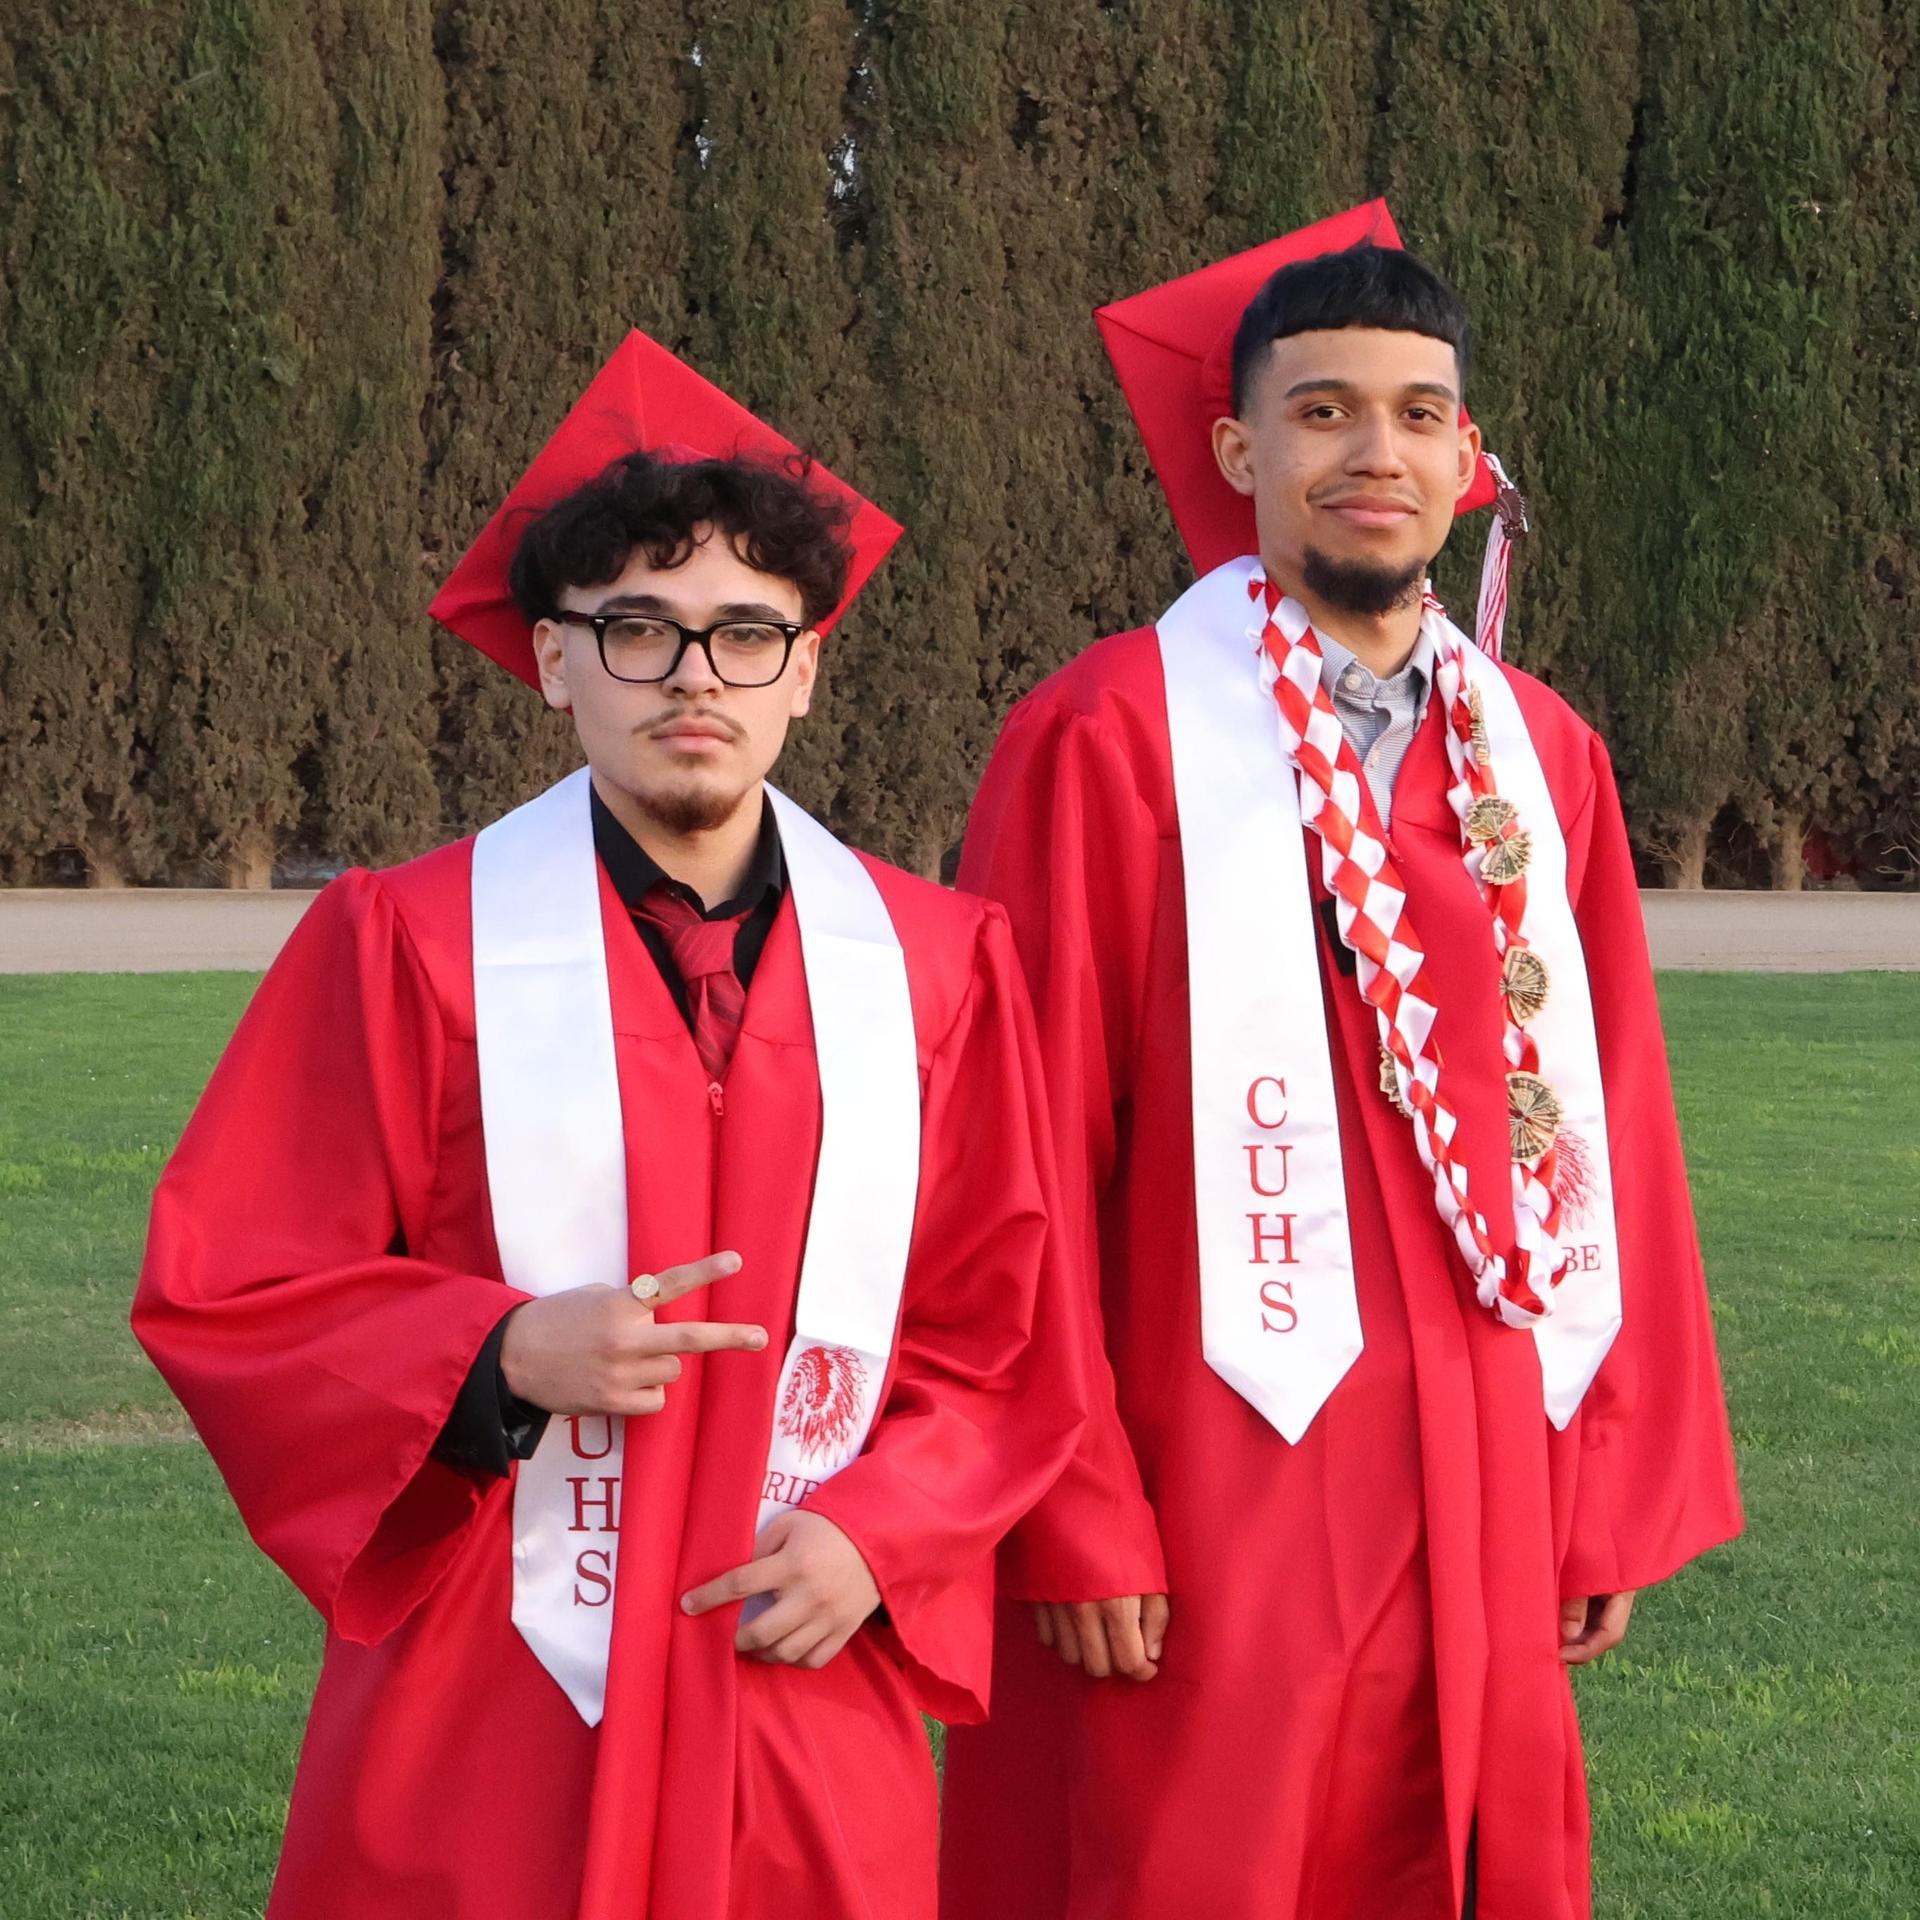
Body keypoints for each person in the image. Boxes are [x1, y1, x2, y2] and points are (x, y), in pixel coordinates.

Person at [133, 331, 1088, 1920]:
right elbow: (230, 1283)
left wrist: (882, 1535)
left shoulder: (934, 969)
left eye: (744, 634)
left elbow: (1011, 1335)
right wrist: (496, 1350)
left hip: (799, 1647)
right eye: (637, 630)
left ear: (807, 666)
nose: (694, 678)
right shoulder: (407, 942)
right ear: (553, 659)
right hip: (490, 1678)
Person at [938, 203, 1741, 1920]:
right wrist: (1072, 1497)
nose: (1375, 450)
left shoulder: (1543, 761)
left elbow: (1610, 1129)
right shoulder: (1108, 734)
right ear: (1238, 447)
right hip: (1216, 1470)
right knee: (1189, 1861)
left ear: (1468, 454)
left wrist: (1594, 1474)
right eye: (1322, 411)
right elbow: (1006, 1152)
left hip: (1482, 1457)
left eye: (1418, 411)